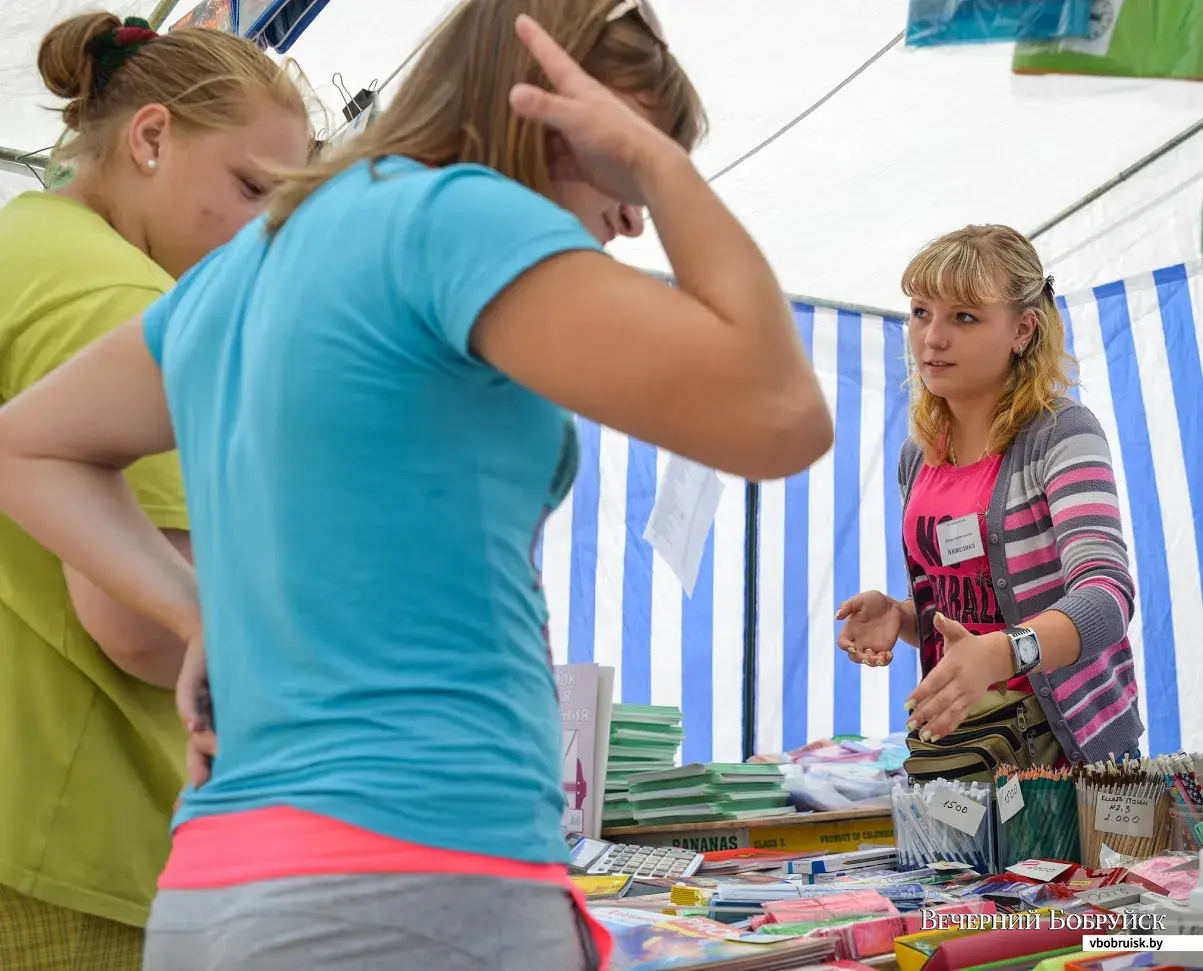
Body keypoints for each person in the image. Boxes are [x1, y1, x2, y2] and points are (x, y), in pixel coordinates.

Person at [0, 1, 834, 969]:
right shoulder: (454, 217)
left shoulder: (245, 269)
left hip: (214, 890)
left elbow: (27, 449)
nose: (635, 217)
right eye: (621, 155)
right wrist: (668, 166)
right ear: (549, 112)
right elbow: (784, 414)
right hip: (418, 882)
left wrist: (201, 619)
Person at [0, 12, 310, 970]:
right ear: (150, 138)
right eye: (252, 189)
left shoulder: (27, 240)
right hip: (78, 827)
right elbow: (136, 621)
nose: (263, 233)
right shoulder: (121, 299)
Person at [835, 224, 1141, 774]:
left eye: (964, 317)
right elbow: (965, 610)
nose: (933, 338)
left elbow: (1107, 598)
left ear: (1023, 329)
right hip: (964, 754)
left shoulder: (1061, 433)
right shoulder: (918, 455)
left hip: (1065, 757)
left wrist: (1002, 653)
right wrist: (905, 618)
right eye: (921, 312)